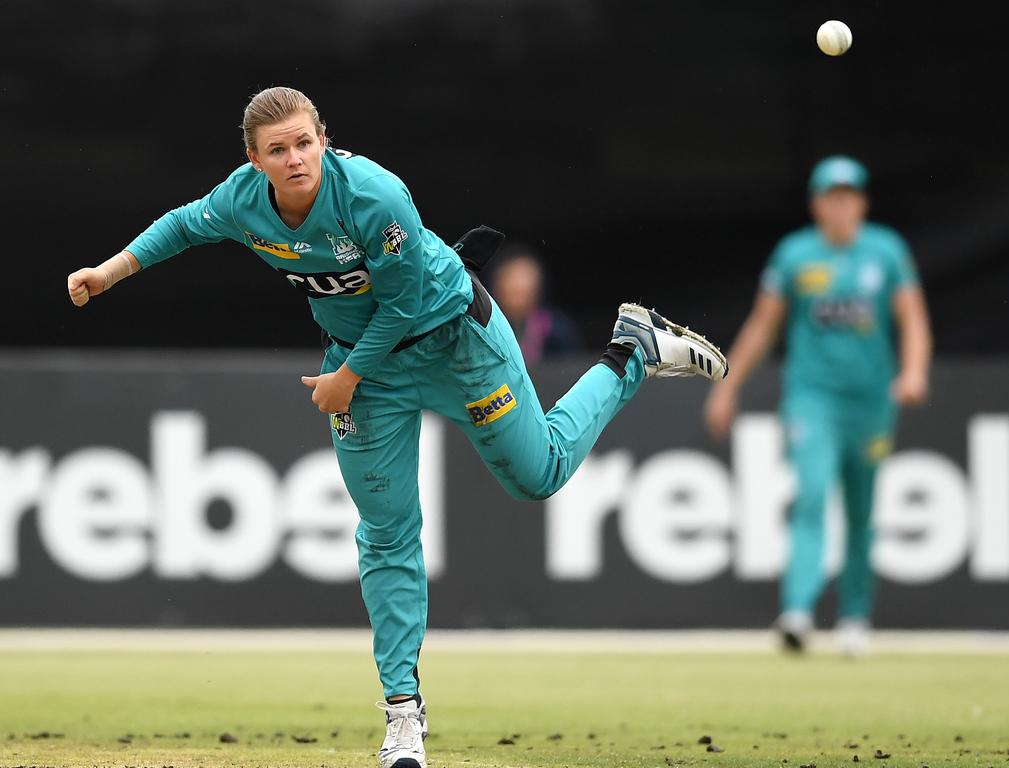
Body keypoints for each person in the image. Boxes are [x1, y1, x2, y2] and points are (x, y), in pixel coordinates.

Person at [66, 86, 727, 768]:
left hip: (453, 343)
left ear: (323, 137)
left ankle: (631, 352)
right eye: (276, 150)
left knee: (541, 474)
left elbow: (405, 303)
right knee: (386, 534)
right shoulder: (243, 200)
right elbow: (183, 224)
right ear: (253, 159)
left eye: (303, 142)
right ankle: (403, 718)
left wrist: (345, 377)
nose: (294, 160)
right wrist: (110, 273)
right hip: (366, 373)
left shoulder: (375, 197)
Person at [704, 155, 932, 657]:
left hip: (871, 402)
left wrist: (914, 372)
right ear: (816, 205)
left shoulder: (886, 251)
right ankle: (799, 611)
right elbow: (763, 325)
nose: (841, 206)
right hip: (813, 397)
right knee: (810, 495)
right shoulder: (795, 255)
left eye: (849, 196)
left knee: (860, 511)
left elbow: (912, 318)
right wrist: (727, 385)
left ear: (863, 203)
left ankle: (854, 617)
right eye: (832, 197)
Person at [488, 246, 583, 365]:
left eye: (525, 279)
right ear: (497, 286)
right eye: (512, 279)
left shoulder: (556, 329)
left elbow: (571, 369)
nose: (519, 286)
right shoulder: (483, 328)